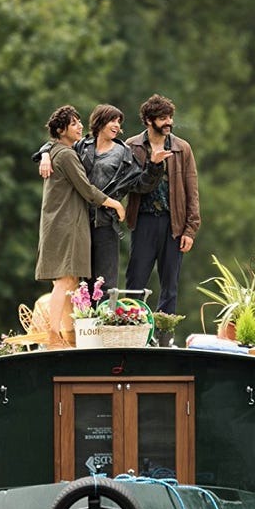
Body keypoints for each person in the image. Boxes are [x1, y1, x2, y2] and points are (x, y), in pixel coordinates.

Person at [36, 104, 168, 287]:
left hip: (104, 222)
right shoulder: (82, 145)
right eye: (112, 120)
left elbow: (140, 184)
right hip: (78, 220)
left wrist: (154, 166)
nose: (116, 125)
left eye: (118, 121)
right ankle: (79, 316)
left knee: (104, 283)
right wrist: (44, 154)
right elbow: (59, 145)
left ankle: (103, 316)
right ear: (99, 123)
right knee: (76, 282)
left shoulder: (124, 154)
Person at [36, 105, 126, 348]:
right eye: (74, 124)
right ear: (61, 129)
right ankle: (53, 334)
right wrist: (115, 204)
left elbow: (48, 148)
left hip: (63, 223)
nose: (80, 127)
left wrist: (44, 153)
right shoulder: (65, 154)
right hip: (66, 224)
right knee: (65, 282)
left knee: (71, 283)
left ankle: (68, 336)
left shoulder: (57, 151)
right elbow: (87, 189)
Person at [123, 94, 200, 315]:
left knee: (170, 287)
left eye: (170, 117)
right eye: (162, 118)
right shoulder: (132, 146)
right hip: (143, 221)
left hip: (173, 224)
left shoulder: (182, 148)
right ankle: (132, 334)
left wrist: (190, 229)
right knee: (135, 282)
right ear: (148, 120)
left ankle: (165, 338)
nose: (169, 122)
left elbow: (192, 191)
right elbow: (130, 185)